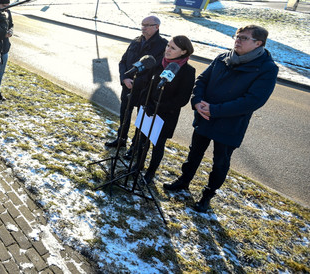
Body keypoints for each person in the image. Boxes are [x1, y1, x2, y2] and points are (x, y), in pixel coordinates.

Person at [163, 25, 278, 213]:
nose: (237, 40)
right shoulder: (223, 58)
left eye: (243, 38)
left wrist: (214, 110)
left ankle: (207, 195)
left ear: (258, 43)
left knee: (220, 162)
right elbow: (202, 80)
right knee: (194, 153)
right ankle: (184, 181)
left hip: (230, 125)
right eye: (237, 36)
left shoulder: (267, 69)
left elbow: (252, 101)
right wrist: (197, 101)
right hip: (204, 117)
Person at [134, 36, 195, 185]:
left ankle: (150, 173)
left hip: (166, 115)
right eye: (168, 45)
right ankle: (138, 165)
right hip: (148, 110)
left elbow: (182, 99)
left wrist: (158, 107)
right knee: (142, 140)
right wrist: (146, 103)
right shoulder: (159, 63)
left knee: (157, 145)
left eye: (173, 48)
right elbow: (148, 85)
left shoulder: (187, 71)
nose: (167, 49)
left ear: (184, 51)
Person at [105, 16, 168, 149]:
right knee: (124, 114)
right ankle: (121, 138)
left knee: (141, 119)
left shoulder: (163, 46)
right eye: (142, 24)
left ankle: (135, 146)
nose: (143, 28)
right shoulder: (135, 41)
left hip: (145, 90)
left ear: (157, 27)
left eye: (147, 25)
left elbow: (156, 69)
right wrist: (124, 78)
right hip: (128, 87)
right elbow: (123, 61)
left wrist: (137, 82)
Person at [0, 0, 14, 101]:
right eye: (4, 6)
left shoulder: (8, 12)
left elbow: (11, 24)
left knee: (1, 73)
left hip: (5, 48)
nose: (6, 8)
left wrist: (11, 30)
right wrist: (3, 34)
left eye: (8, 6)